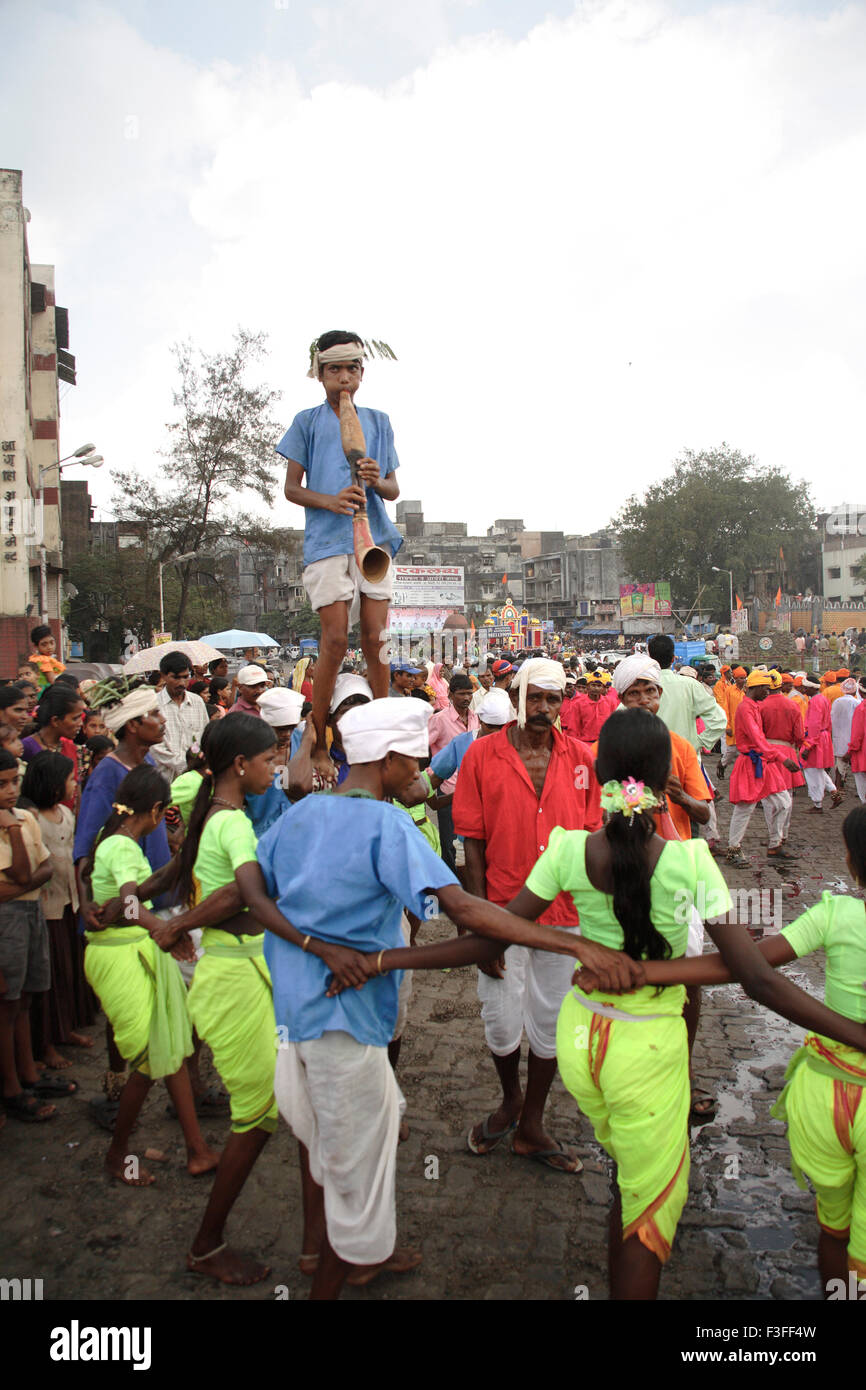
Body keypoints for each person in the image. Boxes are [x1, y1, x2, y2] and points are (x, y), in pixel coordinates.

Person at [261, 697, 631, 1300]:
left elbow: (246, 890)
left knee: (339, 1150)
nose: (421, 772)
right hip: (346, 1026)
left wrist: (302, 942)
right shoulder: (386, 824)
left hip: (296, 1023)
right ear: (388, 758)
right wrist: (569, 946)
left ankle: (350, 1250)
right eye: (414, 761)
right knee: (354, 1164)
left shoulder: (298, 816)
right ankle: (340, 1269)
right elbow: (460, 905)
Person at [530, 711, 866, 1299]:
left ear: (599, 771)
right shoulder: (688, 862)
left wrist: (388, 955)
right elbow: (755, 978)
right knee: (648, 1214)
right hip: (647, 1054)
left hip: (581, 1041)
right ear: (668, 779)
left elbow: (500, 927)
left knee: (628, 1181)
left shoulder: (566, 849)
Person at [153, 713, 375, 1286]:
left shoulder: (218, 815)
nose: (276, 766)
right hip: (231, 977)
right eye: (269, 758)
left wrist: (149, 905)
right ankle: (205, 1244)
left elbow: (185, 870)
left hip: (248, 969)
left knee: (300, 1107)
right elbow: (245, 894)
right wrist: (314, 944)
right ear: (239, 765)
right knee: (256, 1117)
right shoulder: (230, 825)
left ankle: (312, 1245)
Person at [453, 658, 601, 1172]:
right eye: (534, 698)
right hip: (501, 910)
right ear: (516, 698)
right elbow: (471, 844)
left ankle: (532, 1121)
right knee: (500, 1017)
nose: (543, 709)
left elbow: (591, 841)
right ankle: (509, 1099)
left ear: (564, 704)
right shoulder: (481, 756)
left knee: (551, 1019)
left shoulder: (584, 760)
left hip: (566, 916)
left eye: (553, 700)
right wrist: (478, 921)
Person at [83, 764, 220, 1186]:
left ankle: (197, 1150)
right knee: (148, 1055)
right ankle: (117, 1155)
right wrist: (162, 928)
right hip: (121, 956)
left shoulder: (118, 841)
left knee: (170, 1047)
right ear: (157, 810)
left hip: (136, 950)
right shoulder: (123, 847)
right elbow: (127, 905)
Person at [279, 331, 402, 784]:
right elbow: (292, 488)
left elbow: (393, 488)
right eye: (335, 369)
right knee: (333, 639)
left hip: (374, 539)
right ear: (320, 373)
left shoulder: (379, 420)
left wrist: (375, 479)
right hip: (328, 541)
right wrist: (331, 500)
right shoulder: (306, 421)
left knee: (377, 637)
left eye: (352, 369)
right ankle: (319, 733)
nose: (344, 377)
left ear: (362, 373)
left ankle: (384, 723)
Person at [23, 752, 95, 1071]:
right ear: (52, 785)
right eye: (69, 779)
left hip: (69, 904)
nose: (74, 783)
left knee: (67, 972)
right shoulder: (33, 821)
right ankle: (46, 1042)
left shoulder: (66, 815)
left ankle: (65, 1028)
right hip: (46, 908)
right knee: (50, 978)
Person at [0, 748, 58, 1121]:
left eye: (13, 782)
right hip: (7, 923)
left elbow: (45, 867)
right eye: (1, 784)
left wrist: (17, 886)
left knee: (24, 1000)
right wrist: (14, 830)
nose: (9, 790)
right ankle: (12, 1088)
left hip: (29, 911)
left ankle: (28, 1073)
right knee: (7, 1004)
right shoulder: (18, 823)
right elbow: (25, 872)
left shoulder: (23, 816)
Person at [726, 671, 800, 865]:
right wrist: (782, 758)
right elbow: (757, 739)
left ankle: (775, 845)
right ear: (756, 688)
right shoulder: (745, 708)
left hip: (762, 761)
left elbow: (760, 739)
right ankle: (733, 849)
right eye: (765, 689)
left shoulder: (754, 706)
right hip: (751, 762)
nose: (768, 692)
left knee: (784, 802)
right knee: (745, 808)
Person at [427, 672, 479, 873]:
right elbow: (424, 746)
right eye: (461, 694)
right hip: (448, 788)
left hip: (472, 789)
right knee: (449, 841)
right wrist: (433, 773)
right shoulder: (439, 720)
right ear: (450, 694)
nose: (466, 698)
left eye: (469, 694)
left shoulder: (475, 718)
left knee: (468, 840)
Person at [647, 635, 727, 755]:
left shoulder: (639, 689)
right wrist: (696, 743)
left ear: (650, 659)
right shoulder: (690, 685)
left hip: (651, 762)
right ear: (673, 659)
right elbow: (719, 720)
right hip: (686, 760)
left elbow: (620, 726)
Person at [759, 669, 805, 849]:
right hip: (787, 752)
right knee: (787, 796)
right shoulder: (793, 705)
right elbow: (799, 735)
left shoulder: (760, 705)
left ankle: (773, 835)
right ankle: (783, 834)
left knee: (768, 796)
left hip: (766, 752)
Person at [151, 652, 209, 782]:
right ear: (163, 676)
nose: (182, 683)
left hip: (194, 779)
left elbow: (204, 735)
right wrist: (185, 766)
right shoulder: (153, 705)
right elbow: (155, 748)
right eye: (176, 678)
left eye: (186, 677)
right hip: (164, 778)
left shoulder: (197, 702)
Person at [800, 677, 841, 813]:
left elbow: (814, 724)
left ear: (813, 688)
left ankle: (817, 804)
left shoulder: (816, 701)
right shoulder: (822, 699)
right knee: (818, 770)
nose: (804, 690)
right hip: (822, 737)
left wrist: (809, 745)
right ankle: (834, 793)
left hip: (814, 738)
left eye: (806, 687)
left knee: (812, 770)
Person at [831, 679, 860, 790]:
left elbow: (832, 719)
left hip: (838, 738)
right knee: (858, 767)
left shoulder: (837, 702)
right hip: (853, 738)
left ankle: (838, 788)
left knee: (839, 766)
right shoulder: (856, 702)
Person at [29, 624, 64, 690]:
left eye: (52, 643)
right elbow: (52, 681)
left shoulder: (36, 659)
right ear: (35, 646)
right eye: (44, 645)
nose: (49, 647)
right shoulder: (44, 660)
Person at [846, 694, 866, 803]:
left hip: (862, 751)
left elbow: (857, 734)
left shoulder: (861, 708)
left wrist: (851, 750)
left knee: (861, 780)